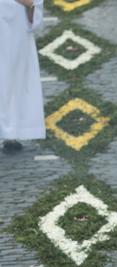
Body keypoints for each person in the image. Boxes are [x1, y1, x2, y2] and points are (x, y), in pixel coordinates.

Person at [0, 0, 45, 153]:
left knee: (13, 80)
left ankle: (10, 132)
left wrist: (31, 5)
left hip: (15, 30)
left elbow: (33, 9)